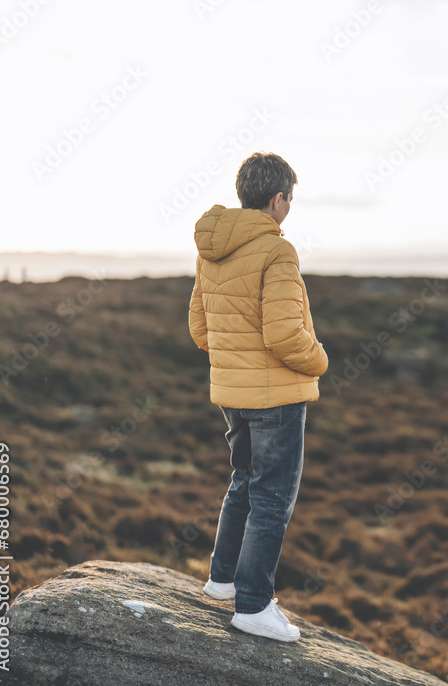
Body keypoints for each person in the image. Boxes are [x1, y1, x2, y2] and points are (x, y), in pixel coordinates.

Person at [188, 152, 329, 642]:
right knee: (272, 498)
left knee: (244, 482)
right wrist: (321, 360)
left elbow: (199, 329)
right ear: (277, 199)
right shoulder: (276, 251)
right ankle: (253, 604)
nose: (289, 207)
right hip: (277, 398)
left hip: (232, 393)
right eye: (290, 198)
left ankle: (222, 580)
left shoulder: (212, 249)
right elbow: (286, 336)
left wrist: (235, 357)